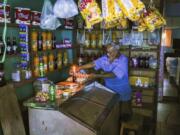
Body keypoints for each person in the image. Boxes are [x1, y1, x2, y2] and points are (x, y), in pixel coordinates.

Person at [70, 43, 132, 121]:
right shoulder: (105, 58)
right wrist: (79, 67)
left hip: (122, 90)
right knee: (112, 114)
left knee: (124, 114)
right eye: (107, 52)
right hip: (109, 89)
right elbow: (93, 63)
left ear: (117, 50)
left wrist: (97, 75)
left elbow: (113, 75)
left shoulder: (123, 60)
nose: (108, 54)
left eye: (110, 52)